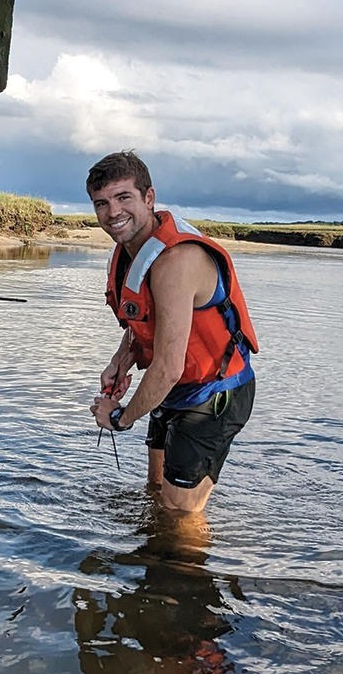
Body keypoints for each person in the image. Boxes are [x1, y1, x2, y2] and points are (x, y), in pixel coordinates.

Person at [87, 150, 258, 516]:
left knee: (180, 511)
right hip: (174, 388)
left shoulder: (176, 261)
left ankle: (190, 569)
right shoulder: (126, 252)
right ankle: (152, 561)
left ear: (149, 198)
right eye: (101, 203)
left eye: (123, 198)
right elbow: (140, 322)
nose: (112, 212)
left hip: (215, 394)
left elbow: (167, 368)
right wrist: (121, 361)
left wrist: (120, 417)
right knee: (156, 489)